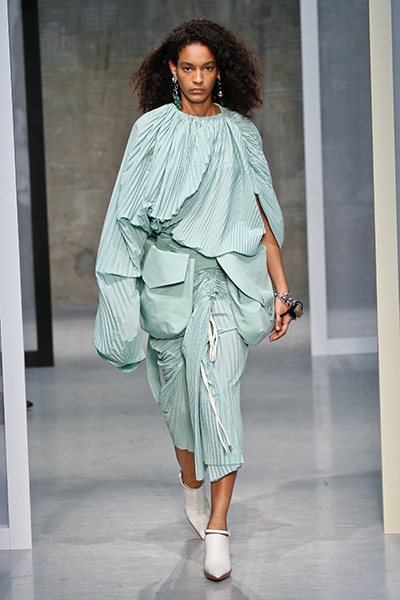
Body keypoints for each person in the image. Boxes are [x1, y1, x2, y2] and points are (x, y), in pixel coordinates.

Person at [93, 17, 302, 582]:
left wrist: (282, 292)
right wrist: (120, 297)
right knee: (180, 406)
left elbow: (261, 216)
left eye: (207, 68)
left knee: (220, 395)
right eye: (188, 67)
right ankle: (191, 482)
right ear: (171, 69)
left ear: (220, 71)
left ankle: (218, 527)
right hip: (168, 285)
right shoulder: (150, 131)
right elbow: (125, 218)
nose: (197, 78)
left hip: (225, 284)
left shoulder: (240, 133)